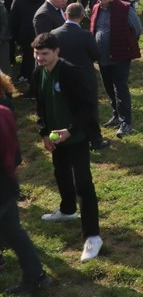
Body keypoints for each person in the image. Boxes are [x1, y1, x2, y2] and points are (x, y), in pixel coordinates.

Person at [30, 33, 104, 262]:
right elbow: (40, 106)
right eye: (37, 54)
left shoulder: (70, 72)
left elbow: (88, 106)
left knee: (83, 183)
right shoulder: (37, 72)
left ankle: (93, 236)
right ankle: (68, 210)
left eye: (45, 54)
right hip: (55, 137)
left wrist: (70, 130)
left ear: (56, 52)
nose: (40, 58)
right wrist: (44, 133)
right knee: (60, 173)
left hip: (77, 137)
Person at [1, 84, 53, 294]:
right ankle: (37, 276)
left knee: (14, 233)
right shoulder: (5, 111)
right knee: (15, 233)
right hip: (7, 183)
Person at [50, 3, 106, 151]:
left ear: (65, 15)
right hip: (84, 77)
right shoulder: (85, 35)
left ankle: (72, 136)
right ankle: (95, 139)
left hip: (62, 77)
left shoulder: (54, 34)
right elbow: (96, 55)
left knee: (69, 107)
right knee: (89, 107)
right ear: (82, 17)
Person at [91, 0, 143, 139]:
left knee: (120, 88)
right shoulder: (96, 8)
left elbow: (137, 29)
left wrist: (124, 44)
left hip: (120, 56)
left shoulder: (125, 8)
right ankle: (116, 115)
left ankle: (125, 122)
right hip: (102, 57)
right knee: (108, 87)